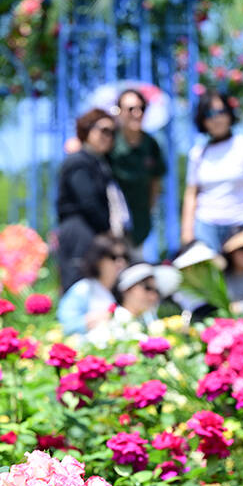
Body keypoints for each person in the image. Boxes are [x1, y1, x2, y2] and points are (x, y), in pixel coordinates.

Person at [180, 90, 243, 253]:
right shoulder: (197, 153)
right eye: (209, 114)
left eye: (221, 111)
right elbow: (191, 194)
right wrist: (187, 232)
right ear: (203, 119)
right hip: (206, 225)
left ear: (229, 113)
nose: (216, 118)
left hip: (241, 223)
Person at [56, 109, 129, 292]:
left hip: (94, 231)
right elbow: (87, 202)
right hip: (81, 230)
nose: (109, 137)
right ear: (87, 130)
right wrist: (108, 232)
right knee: (78, 285)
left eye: (112, 133)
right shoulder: (79, 161)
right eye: (103, 130)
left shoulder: (99, 162)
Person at [109, 89, 167, 257]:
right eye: (130, 109)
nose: (137, 113)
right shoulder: (110, 140)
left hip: (139, 222)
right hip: (111, 223)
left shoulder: (151, 144)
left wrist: (149, 209)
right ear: (118, 111)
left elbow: (156, 181)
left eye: (141, 108)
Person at [57, 234, 130, 337]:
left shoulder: (117, 291)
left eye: (124, 257)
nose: (121, 262)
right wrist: (89, 321)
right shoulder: (83, 289)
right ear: (98, 260)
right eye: (113, 257)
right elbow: (63, 327)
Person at [86, 262, 162, 345]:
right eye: (147, 288)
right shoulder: (111, 322)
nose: (153, 296)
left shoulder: (148, 322)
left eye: (156, 291)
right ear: (127, 289)